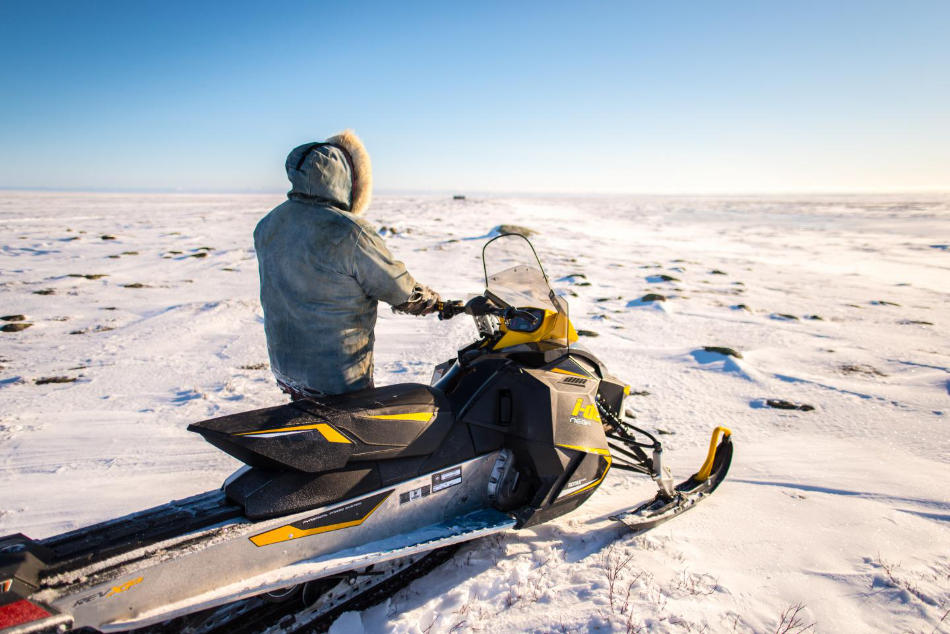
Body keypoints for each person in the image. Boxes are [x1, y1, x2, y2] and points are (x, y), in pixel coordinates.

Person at [254, 130, 440, 400]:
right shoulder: (350, 232)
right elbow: (398, 288)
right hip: (336, 375)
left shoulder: (268, 223)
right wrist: (430, 301)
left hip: (286, 365)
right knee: (354, 423)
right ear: (347, 179)